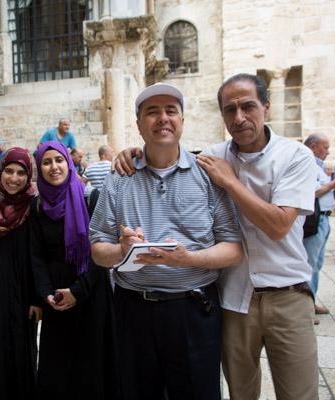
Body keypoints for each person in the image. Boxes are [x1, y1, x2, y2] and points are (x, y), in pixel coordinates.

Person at [115, 74, 320, 399]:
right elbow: (167, 149)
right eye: (230, 110)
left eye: (248, 107)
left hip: (286, 294)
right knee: (240, 392)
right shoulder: (213, 154)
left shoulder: (294, 156)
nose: (239, 118)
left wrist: (231, 183)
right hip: (235, 296)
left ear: (266, 107)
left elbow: (279, 226)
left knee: (298, 392)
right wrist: (133, 152)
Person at [89, 83, 242, 400]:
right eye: (152, 112)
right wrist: (121, 251)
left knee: (197, 393)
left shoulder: (207, 176)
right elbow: (97, 249)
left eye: (171, 111)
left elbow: (233, 248)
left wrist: (187, 259)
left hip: (194, 309)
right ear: (139, 124)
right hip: (133, 310)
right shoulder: (120, 177)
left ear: (182, 121)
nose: (162, 119)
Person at [30, 141, 118, 400]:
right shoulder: (37, 207)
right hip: (57, 298)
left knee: (92, 366)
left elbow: (101, 250)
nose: (53, 167)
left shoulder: (90, 198)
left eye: (58, 160)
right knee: (59, 369)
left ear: (68, 163)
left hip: (91, 292)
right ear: (39, 168)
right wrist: (47, 294)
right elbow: (36, 256)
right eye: (46, 162)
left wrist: (78, 291)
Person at [0, 147, 41, 400]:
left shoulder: (35, 203)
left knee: (23, 344)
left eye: (20, 172)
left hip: (25, 288)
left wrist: (38, 298)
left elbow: (41, 254)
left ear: (29, 175)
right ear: (0, 171)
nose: (14, 178)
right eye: (8, 171)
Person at [302, 134, 335, 315]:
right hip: (315, 219)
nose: (328, 151)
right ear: (314, 146)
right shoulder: (307, 163)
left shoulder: (318, 166)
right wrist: (333, 184)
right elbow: (311, 192)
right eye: (325, 146)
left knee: (317, 262)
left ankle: (310, 301)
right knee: (310, 263)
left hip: (323, 218)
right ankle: (306, 307)